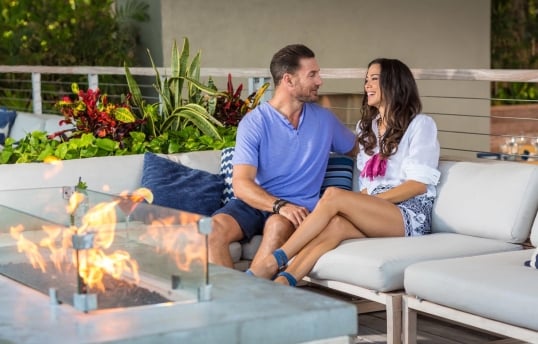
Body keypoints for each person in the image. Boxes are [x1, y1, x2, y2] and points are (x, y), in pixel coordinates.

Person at [247, 58, 441, 286]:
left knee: (332, 195)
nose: (367, 85)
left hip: (409, 212)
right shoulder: (366, 127)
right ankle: (282, 283)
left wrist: (368, 201)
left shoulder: (420, 124)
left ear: (394, 83)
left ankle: (274, 260)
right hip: (377, 209)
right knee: (335, 226)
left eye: (374, 79)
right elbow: (367, 179)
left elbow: (417, 184)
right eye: (366, 80)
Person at [208, 44, 358, 268]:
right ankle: (232, 300)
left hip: (299, 209)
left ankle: (251, 293)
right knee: (211, 229)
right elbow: (241, 184)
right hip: (257, 204)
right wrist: (279, 205)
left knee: (277, 225)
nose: (320, 81)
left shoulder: (325, 120)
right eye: (312, 75)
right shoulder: (255, 122)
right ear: (288, 80)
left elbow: (361, 150)